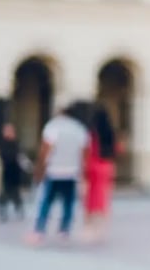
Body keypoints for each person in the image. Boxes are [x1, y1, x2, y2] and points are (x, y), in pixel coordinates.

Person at [27, 102, 90, 245]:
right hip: (72, 170)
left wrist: (40, 169)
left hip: (54, 170)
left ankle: (40, 229)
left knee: (47, 201)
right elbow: (84, 151)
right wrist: (82, 170)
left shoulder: (53, 127)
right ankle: (64, 229)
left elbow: (45, 149)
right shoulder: (79, 128)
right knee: (68, 202)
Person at [81, 105, 117, 242]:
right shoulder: (110, 132)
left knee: (91, 194)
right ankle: (101, 223)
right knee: (103, 193)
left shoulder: (93, 133)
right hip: (107, 166)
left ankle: (89, 224)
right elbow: (115, 150)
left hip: (94, 164)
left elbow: (89, 149)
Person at [0, 123, 27, 222]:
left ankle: (19, 208)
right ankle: (3, 211)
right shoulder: (2, 143)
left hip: (15, 171)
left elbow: (19, 155)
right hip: (6, 170)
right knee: (4, 192)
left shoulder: (16, 143)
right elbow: (2, 155)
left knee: (16, 192)